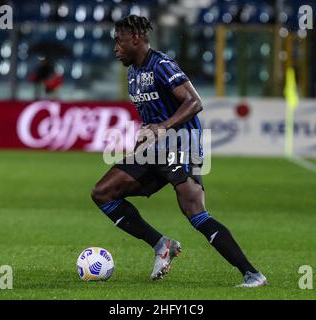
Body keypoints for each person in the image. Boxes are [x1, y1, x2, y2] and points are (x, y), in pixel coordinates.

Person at [91, 15, 267, 287]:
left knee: (194, 211)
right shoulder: (133, 73)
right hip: (155, 148)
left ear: (136, 39)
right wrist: (145, 135)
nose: (115, 47)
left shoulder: (162, 65)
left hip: (181, 145)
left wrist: (163, 127)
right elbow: (154, 116)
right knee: (103, 193)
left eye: (119, 41)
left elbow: (194, 102)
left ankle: (252, 274)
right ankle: (162, 244)